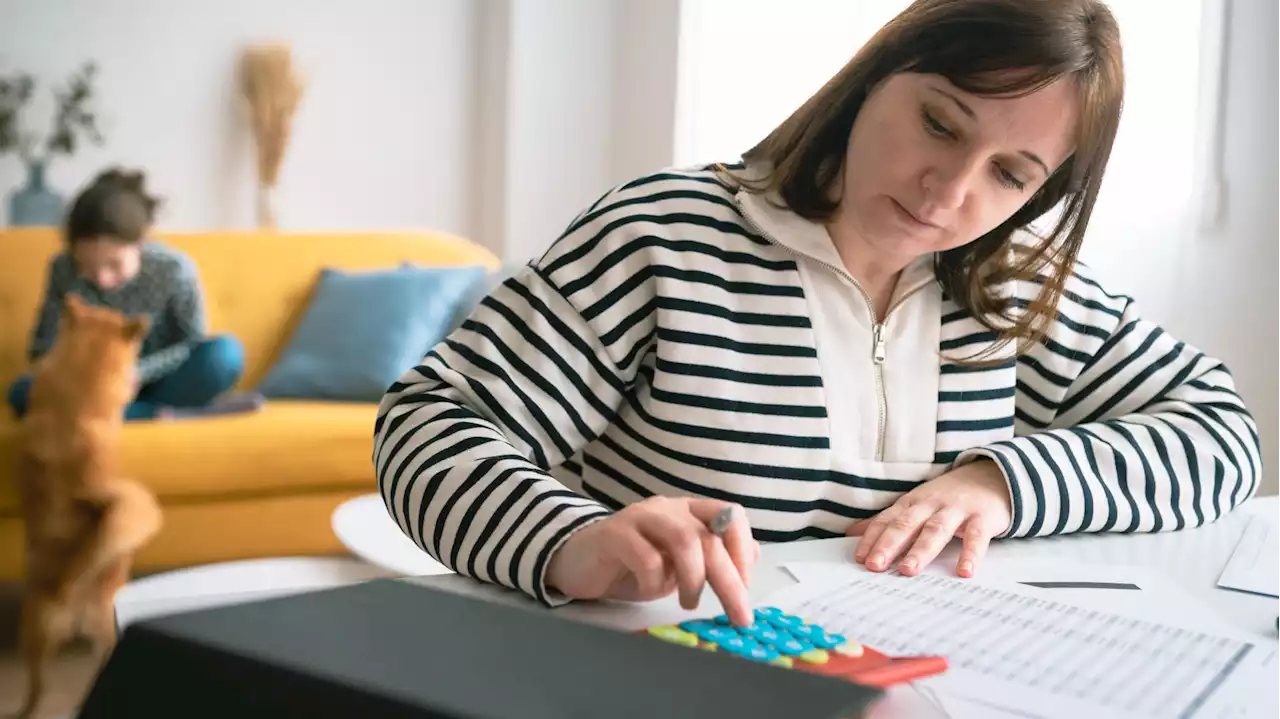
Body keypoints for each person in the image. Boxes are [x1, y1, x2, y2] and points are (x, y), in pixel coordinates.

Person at [373, 0, 1261, 627]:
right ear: (873, 80)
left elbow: (1221, 434)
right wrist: (572, 540)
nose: (949, 192)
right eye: (941, 125)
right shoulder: (667, 237)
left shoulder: (1017, 288)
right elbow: (427, 426)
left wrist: (1000, 482)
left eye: (1010, 174)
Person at [6, 168, 252, 422]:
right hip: (87, 388)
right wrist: (83, 374)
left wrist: (137, 372)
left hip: (159, 383)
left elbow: (192, 343)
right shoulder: (63, 269)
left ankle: (126, 413)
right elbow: (41, 348)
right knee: (21, 392)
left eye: (114, 265)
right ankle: (158, 415)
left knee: (225, 354)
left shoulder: (174, 269)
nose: (102, 278)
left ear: (141, 245)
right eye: (87, 266)